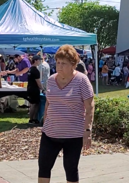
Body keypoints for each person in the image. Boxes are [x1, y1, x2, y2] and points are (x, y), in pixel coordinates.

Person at [38, 45, 94, 183]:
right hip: (50, 133)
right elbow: (48, 102)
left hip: (73, 135)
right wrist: (45, 121)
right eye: (58, 62)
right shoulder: (51, 80)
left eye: (64, 63)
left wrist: (88, 130)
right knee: (44, 167)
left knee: (70, 169)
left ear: (73, 65)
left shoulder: (82, 80)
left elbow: (90, 106)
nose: (59, 66)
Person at [27, 55, 43, 125]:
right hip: (34, 89)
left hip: (30, 88)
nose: (40, 62)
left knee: (34, 104)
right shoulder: (36, 71)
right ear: (35, 60)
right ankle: (32, 119)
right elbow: (38, 82)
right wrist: (42, 88)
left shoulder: (30, 69)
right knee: (34, 104)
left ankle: (33, 118)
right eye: (39, 60)